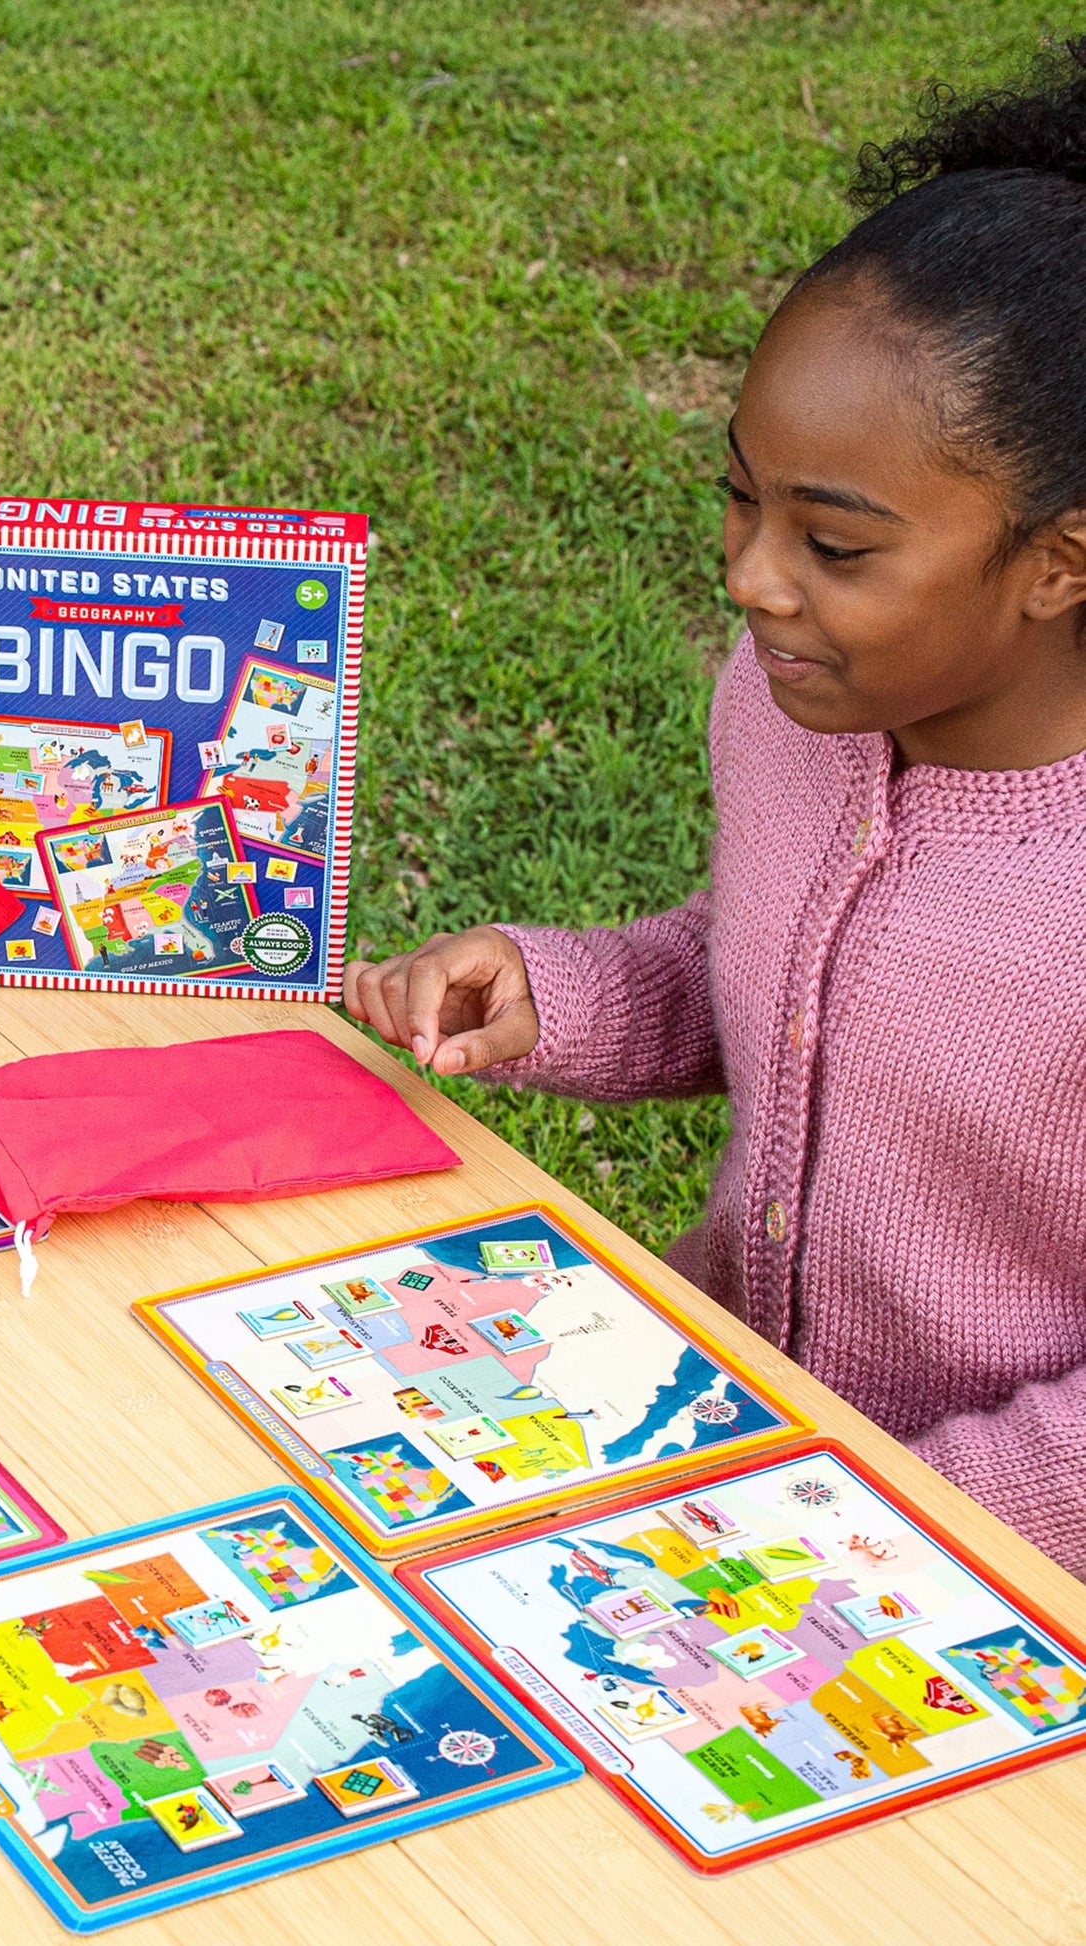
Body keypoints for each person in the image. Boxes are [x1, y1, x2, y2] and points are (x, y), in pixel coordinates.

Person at [345, 45, 1086, 1577]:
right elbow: (766, 960)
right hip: (721, 1450)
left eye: (833, 542)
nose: (752, 578)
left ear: (1057, 563)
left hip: (976, 1570)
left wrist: (873, 1521)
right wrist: (560, 988)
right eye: (739, 499)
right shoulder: (786, 705)